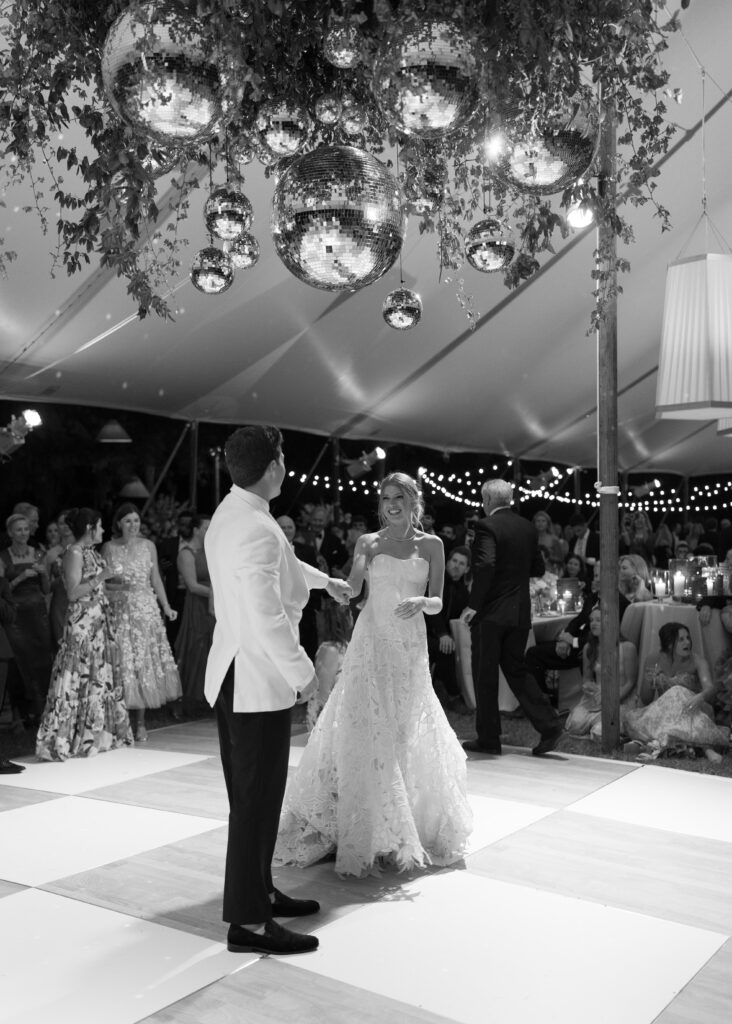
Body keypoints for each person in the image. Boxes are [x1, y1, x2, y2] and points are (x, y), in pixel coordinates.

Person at [276, 472, 472, 878]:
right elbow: (352, 586)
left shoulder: (432, 545)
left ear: (413, 500)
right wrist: (322, 583)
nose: (390, 505)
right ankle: (368, 826)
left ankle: (401, 826)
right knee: (369, 728)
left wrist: (423, 601)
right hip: (372, 640)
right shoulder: (368, 542)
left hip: (409, 645)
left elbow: (438, 602)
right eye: (385, 499)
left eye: (398, 497)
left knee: (403, 727)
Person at [204, 425, 352, 957]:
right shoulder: (254, 526)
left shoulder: (236, 513)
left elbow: (280, 568)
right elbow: (266, 616)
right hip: (255, 680)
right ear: (272, 467)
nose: (286, 465)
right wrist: (307, 677)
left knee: (257, 801)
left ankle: (260, 891)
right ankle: (248, 922)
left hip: (239, 676)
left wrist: (324, 581)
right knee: (254, 803)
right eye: (283, 457)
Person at [459, 479, 565, 757]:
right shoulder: (528, 527)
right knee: (516, 670)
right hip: (518, 612)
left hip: (491, 613)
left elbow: (485, 565)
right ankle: (549, 725)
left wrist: (473, 604)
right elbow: (538, 567)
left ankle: (489, 739)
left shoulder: (485, 526)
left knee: (485, 675)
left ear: (488, 500)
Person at [36, 508, 133, 761]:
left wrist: (116, 583)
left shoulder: (91, 552)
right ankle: (67, 737)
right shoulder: (74, 553)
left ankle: (96, 735)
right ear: (89, 528)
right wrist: (102, 575)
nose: (102, 531)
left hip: (98, 621)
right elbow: (72, 593)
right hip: (81, 624)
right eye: (99, 526)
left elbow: (95, 586)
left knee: (97, 676)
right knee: (78, 675)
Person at [102, 502, 181, 741]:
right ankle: (121, 722)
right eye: (128, 521)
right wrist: (119, 587)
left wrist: (166, 606)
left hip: (145, 610)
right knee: (123, 664)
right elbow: (103, 581)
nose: (133, 525)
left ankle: (142, 723)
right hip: (120, 610)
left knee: (143, 663)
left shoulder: (148, 546)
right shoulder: (109, 547)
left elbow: (156, 577)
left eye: (136, 520)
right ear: (118, 524)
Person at [623, 622, 729, 762]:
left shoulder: (697, 661)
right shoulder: (653, 659)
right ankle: (691, 748)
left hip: (695, 710)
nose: (687, 642)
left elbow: (710, 688)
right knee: (667, 702)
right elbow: (646, 698)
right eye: (681, 639)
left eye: (688, 638)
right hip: (667, 715)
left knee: (677, 691)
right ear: (669, 645)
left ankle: (705, 749)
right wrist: (649, 682)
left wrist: (700, 697)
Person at [0, 513, 53, 724]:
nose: (23, 533)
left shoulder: (39, 553)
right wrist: (21, 577)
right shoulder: (3, 556)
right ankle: (19, 714)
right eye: (18, 529)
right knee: (20, 662)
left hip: (37, 614)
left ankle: (42, 712)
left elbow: (46, 588)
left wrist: (44, 574)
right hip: (16, 616)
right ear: (10, 533)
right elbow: (3, 591)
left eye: (25, 529)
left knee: (42, 661)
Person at [564, 606, 636, 740]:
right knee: (575, 725)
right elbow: (586, 679)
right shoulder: (589, 648)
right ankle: (593, 725)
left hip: (621, 699)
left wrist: (611, 699)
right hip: (596, 698)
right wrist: (590, 688)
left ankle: (601, 728)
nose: (593, 623)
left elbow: (631, 682)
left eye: (598, 620)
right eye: (591, 620)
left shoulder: (627, 648)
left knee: (603, 731)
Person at [174, 511, 214, 714]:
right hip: (198, 604)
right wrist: (217, 594)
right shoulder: (186, 553)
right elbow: (192, 585)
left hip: (213, 605)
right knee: (196, 646)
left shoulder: (211, 551)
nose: (210, 531)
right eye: (206, 528)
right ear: (196, 530)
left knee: (212, 648)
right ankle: (188, 699)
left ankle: (209, 699)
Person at [426, 544, 471, 709]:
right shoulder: (434, 580)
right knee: (445, 649)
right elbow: (431, 610)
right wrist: (443, 634)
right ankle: (453, 696)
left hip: (443, 635)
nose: (456, 566)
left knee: (450, 647)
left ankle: (449, 687)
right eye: (454, 561)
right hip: (422, 632)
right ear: (447, 562)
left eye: (461, 563)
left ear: (466, 569)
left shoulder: (463, 592)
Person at [533, 510, 566, 575]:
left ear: (548, 524)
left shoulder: (554, 539)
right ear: (534, 523)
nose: (540, 523)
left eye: (543, 521)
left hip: (549, 572)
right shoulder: (531, 538)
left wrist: (547, 557)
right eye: (538, 521)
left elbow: (561, 558)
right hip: (533, 571)